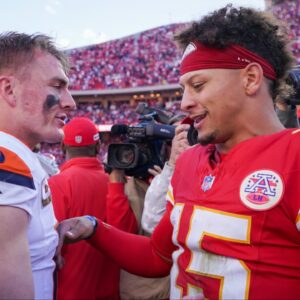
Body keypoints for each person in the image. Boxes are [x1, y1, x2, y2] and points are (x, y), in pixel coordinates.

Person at [58, 5, 300, 299]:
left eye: (198, 85)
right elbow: (158, 256)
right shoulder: (189, 161)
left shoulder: (293, 156)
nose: (184, 102)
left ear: (250, 79)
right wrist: (94, 228)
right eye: (184, 88)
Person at [0, 32, 76, 299]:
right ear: (10, 90)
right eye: (57, 86)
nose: (70, 102)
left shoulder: (18, 157)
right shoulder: (8, 164)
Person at [49, 117, 113, 299]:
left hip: (70, 289)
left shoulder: (57, 182)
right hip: (111, 287)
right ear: (98, 146)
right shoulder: (116, 182)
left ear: (62, 147)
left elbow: (52, 245)